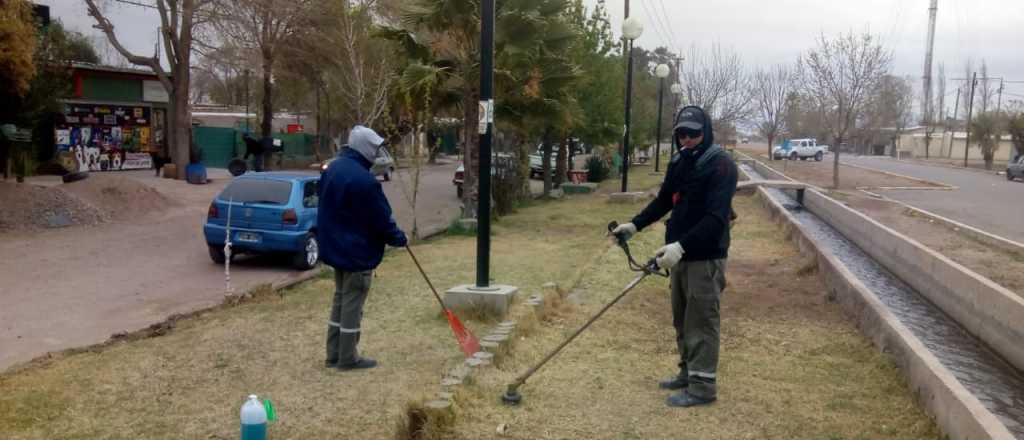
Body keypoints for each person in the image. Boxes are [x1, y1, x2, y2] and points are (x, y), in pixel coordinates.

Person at [612, 105, 738, 407]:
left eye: (693, 133)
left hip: (705, 258)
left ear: (705, 131)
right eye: (681, 134)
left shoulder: (722, 166)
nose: (687, 139)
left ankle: (703, 388)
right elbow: (664, 201)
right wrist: (634, 225)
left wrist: (681, 246)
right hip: (678, 255)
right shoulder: (680, 160)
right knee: (682, 319)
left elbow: (716, 218)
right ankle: (688, 373)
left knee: (701, 322)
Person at [318, 125, 408, 371]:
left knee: (340, 299)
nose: (377, 153)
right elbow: (380, 218)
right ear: (365, 148)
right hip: (356, 250)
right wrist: (399, 238)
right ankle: (348, 358)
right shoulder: (364, 181)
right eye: (375, 148)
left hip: (335, 247)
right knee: (352, 304)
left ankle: (333, 354)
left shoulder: (333, 168)